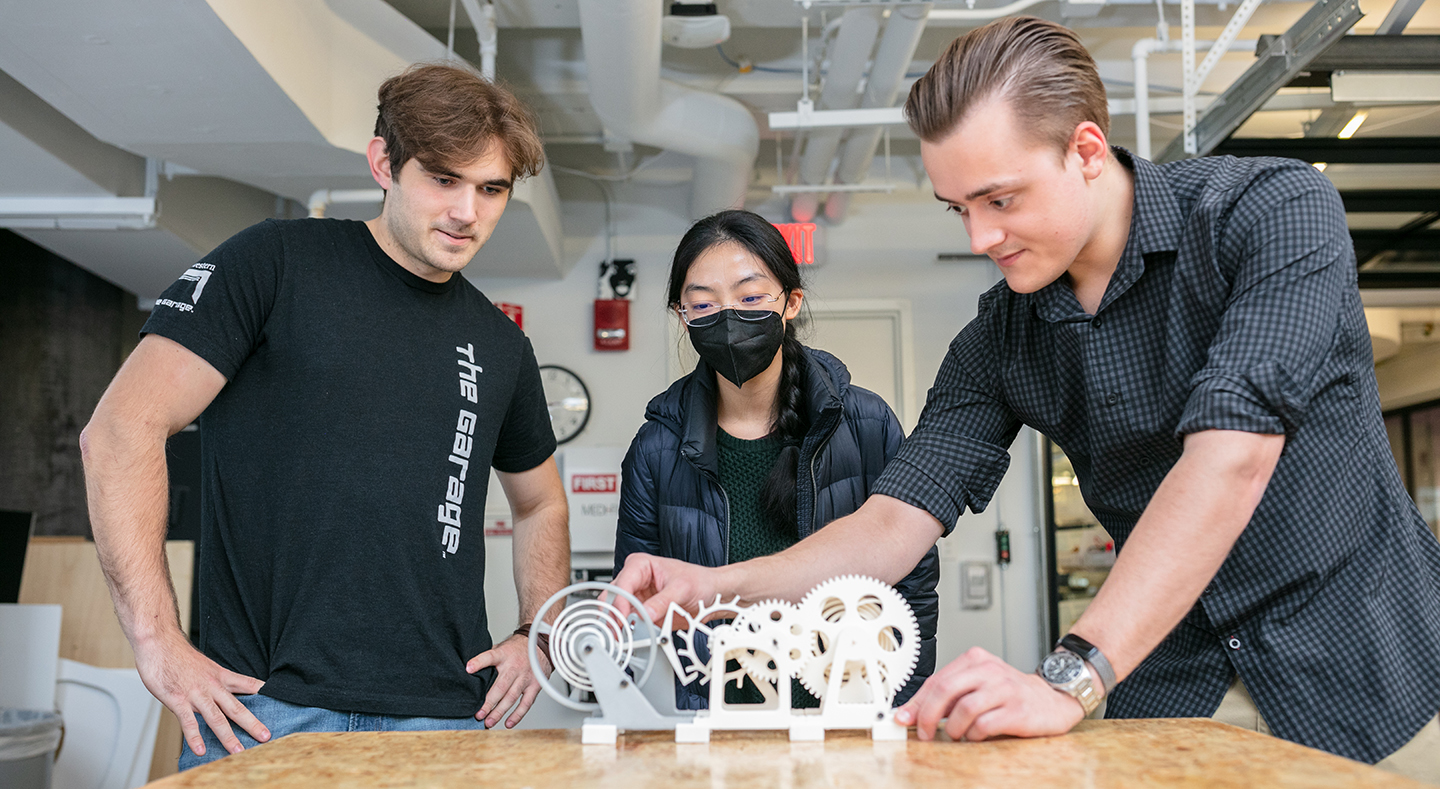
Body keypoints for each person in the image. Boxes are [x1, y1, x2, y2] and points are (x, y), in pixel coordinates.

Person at [613, 18, 1440, 782]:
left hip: (1372, 669)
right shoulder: (1001, 336)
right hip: (1174, 684)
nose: (978, 238)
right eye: (958, 208)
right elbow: (891, 521)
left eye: (1000, 199)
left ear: (1085, 149)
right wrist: (713, 584)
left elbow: (1231, 458)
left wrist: (1072, 672)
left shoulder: (1270, 214)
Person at [80, 63, 571, 769]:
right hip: (263, 710)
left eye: (491, 188)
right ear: (384, 164)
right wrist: (157, 642)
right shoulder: (274, 264)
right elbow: (122, 430)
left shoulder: (499, 343)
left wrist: (539, 631)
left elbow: (541, 503)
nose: (468, 211)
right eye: (443, 179)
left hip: (442, 718)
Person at [614, 210, 939, 710]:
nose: (727, 318)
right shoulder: (657, 449)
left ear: (790, 303)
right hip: (710, 718)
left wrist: (898, 703)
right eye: (702, 303)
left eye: (749, 298)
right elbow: (640, 599)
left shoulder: (864, 423)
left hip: (845, 711)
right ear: (682, 315)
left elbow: (912, 582)